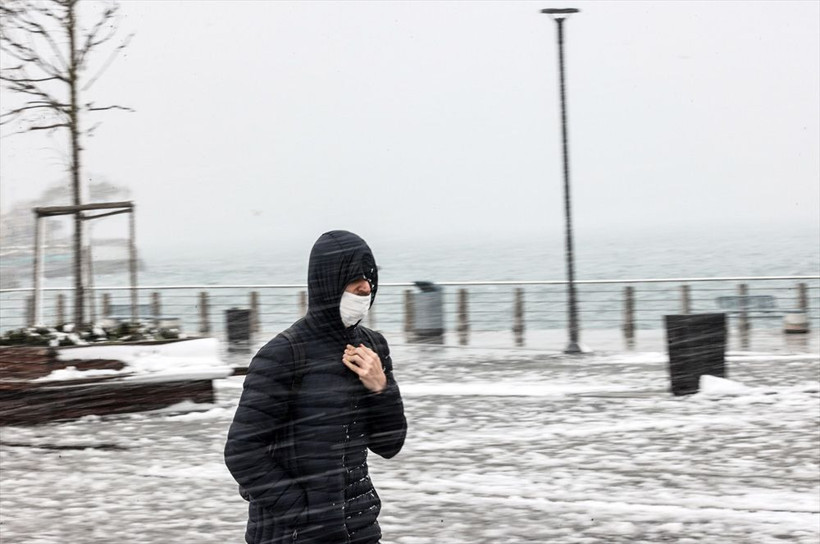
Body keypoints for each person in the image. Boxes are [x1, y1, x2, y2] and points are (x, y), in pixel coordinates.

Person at [225, 230, 407, 544]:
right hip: (291, 535)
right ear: (328, 282)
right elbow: (242, 453)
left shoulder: (373, 347)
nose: (365, 286)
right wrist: (305, 515)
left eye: (370, 276)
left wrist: (381, 389)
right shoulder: (283, 354)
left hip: (360, 530)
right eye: (354, 278)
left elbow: (389, 446)